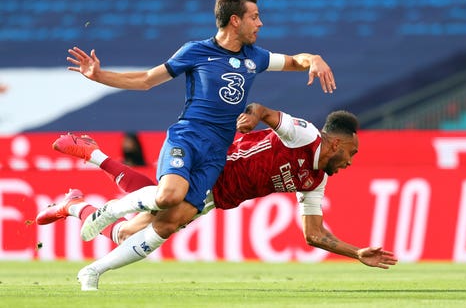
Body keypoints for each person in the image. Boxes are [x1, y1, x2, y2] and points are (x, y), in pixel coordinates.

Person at [66, 0, 336, 287]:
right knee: (168, 195)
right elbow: (146, 80)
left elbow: (295, 61)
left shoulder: (255, 57)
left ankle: (92, 271)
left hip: (217, 153)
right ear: (235, 20)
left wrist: (314, 58)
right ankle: (107, 211)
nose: (260, 24)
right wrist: (100, 76)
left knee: (169, 222)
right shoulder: (196, 51)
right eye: (255, 17)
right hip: (189, 136)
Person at [37, 103, 398, 290]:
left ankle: (77, 201)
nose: (351, 162)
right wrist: (250, 118)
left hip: (218, 196)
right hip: (214, 161)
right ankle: (93, 268)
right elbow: (264, 110)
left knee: (127, 233)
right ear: (336, 142)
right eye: (351, 153)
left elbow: (314, 234)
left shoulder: (315, 181)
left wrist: (356, 252)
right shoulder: (305, 136)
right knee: (164, 208)